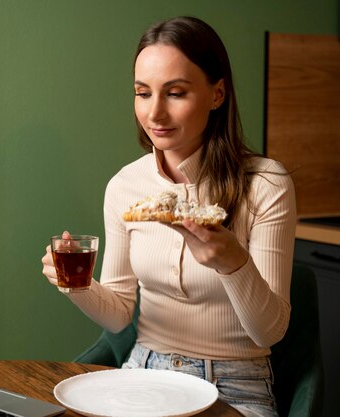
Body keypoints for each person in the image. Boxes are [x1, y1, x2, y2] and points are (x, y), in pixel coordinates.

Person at [41, 16, 296, 417]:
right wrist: (77, 285)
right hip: (143, 374)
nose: (155, 113)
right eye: (143, 93)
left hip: (235, 386)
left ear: (217, 94)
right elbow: (120, 314)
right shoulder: (125, 185)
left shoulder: (265, 183)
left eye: (175, 93)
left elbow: (270, 331)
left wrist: (234, 263)